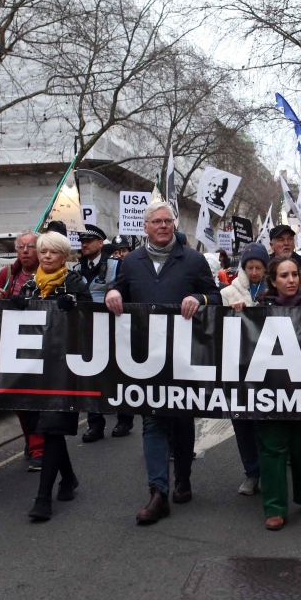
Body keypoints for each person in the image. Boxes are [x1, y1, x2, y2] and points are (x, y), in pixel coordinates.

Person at [105, 200, 223, 524]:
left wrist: (198, 298)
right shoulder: (130, 263)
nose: (163, 226)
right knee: (153, 421)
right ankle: (158, 492)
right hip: (145, 358)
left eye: (167, 221)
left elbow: (216, 298)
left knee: (182, 421)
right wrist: (112, 295)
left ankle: (182, 478)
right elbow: (117, 291)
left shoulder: (194, 260)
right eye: (156, 221)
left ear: (174, 225)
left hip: (183, 358)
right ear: (145, 227)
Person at [230, 257, 301, 530]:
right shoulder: (260, 309)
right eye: (284, 276)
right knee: (272, 450)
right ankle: (274, 507)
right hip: (270, 392)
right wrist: (238, 312)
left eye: (294, 275)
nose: (291, 280)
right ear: (273, 281)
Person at [13, 231, 91, 521]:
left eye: (53, 252)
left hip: (66, 369)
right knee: (48, 429)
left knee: (53, 427)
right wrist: (16, 304)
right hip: (36, 368)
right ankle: (68, 477)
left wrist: (76, 308)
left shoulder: (76, 283)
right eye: (42, 251)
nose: (46, 256)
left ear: (64, 256)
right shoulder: (30, 286)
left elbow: (90, 319)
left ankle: (42, 498)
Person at [0, 230, 45, 470]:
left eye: (31, 247)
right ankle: (32, 440)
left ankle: (38, 448)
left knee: (37, 399)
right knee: (19, 400)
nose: (25, 251)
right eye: (21, 247)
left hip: (40, 346)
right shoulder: (8, 273)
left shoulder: (47, 272)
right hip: (12, 346)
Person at [220, 242, 271, 496]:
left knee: (268, 423)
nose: (254, 272)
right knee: (243, 421)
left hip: (270, 368)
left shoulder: (274, 290)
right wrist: (230, 312)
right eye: (249, 267)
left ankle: (270, 470)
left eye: (259, 267)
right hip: (239, 367)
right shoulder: (229, 293)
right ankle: (251, 473)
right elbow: (217, 323)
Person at [79, 224, 134, 443]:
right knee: (91, 377)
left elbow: (127, 291)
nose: (84, 244)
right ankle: (95, 423)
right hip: (88, 330)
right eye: (82, 241)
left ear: (100, 244)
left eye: (89, 241)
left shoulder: (116, 266)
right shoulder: (76, 269)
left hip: (114, 327)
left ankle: (124, 418)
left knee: (118, 375)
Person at [269, 224, 301, 293]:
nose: (286, 243)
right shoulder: (264, 267)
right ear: (272, 245)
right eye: (281, 240)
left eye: (290, 239)